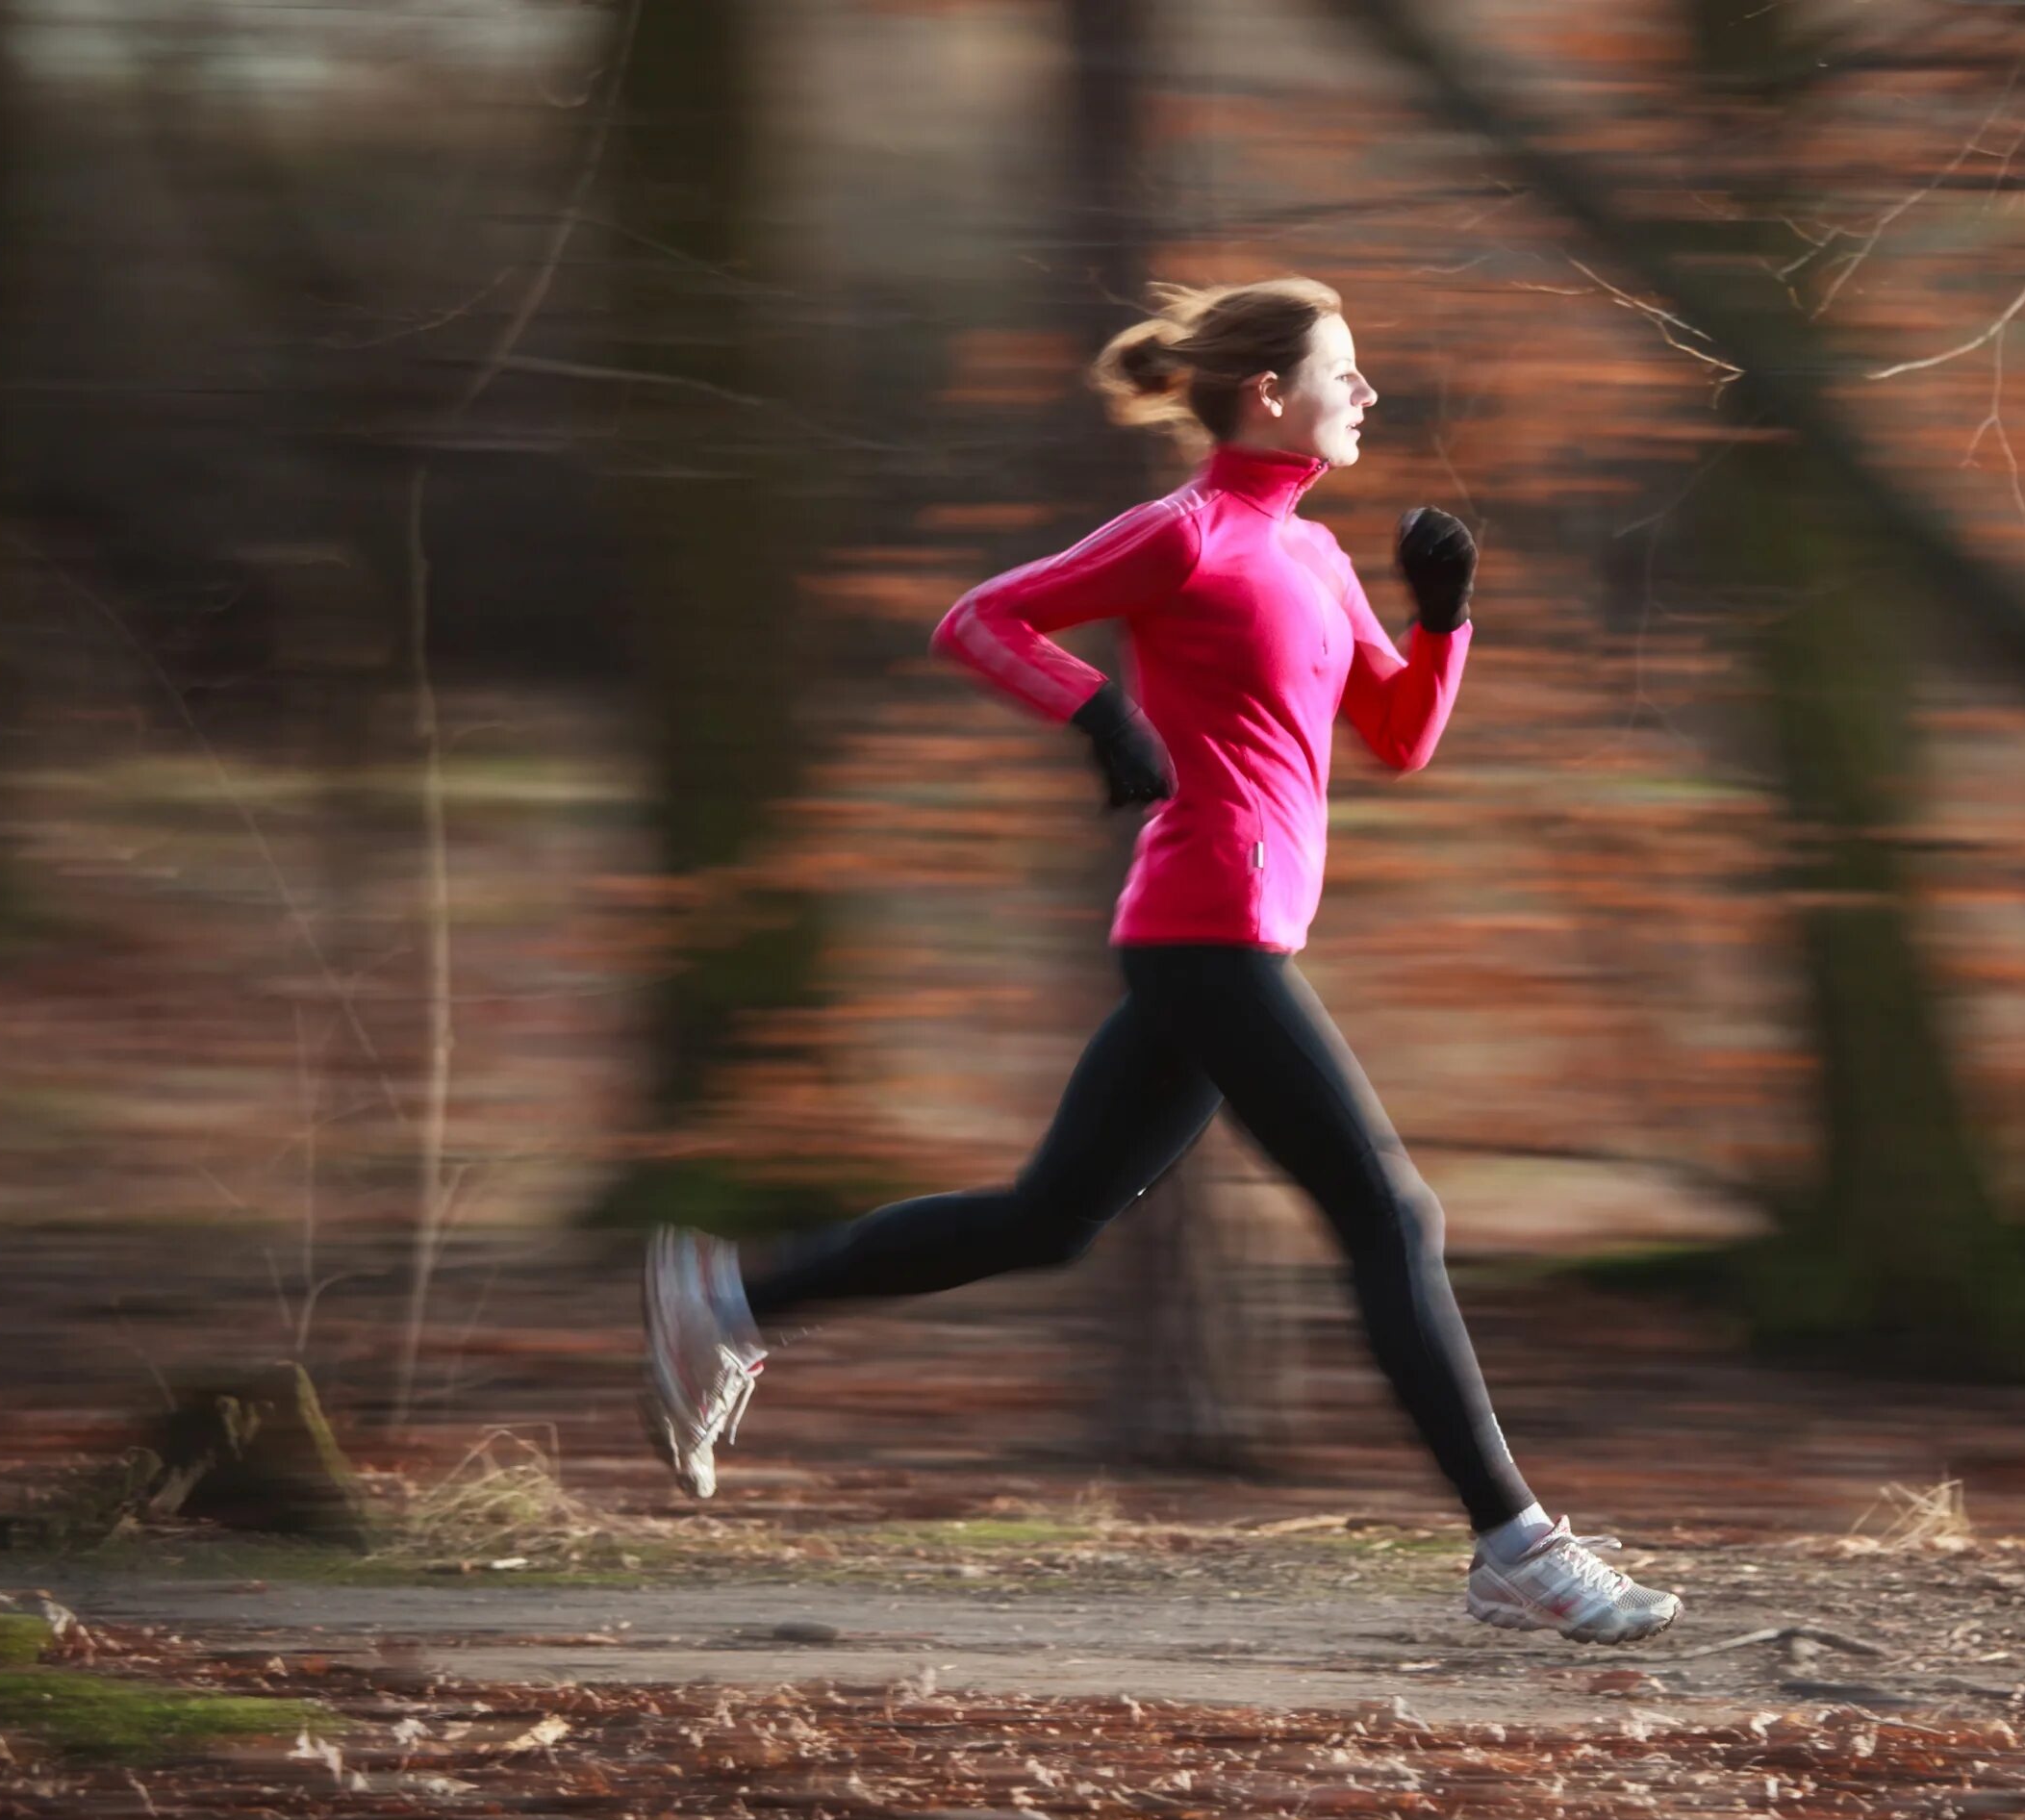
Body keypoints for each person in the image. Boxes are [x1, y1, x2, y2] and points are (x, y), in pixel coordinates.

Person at [639, 276, 1680, 1646]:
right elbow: (982, 619)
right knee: (1394, 1217)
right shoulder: (1182, 534)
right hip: (1210, 924)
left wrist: (1444, 616)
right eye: (1344, 369)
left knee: (1049, 1218)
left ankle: (727, 1299)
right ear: (1269, 395)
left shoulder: (1308, 553)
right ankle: (1516, 1548)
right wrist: (1097, 712)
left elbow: (1401, 737)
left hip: (1223, 935)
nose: (1368, 392)